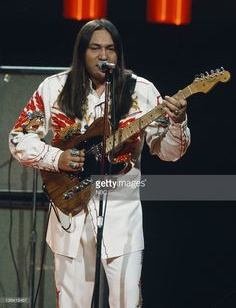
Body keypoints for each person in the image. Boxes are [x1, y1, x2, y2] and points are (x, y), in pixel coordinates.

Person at [9, 19, 190, 308]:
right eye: (95, 48)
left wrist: (178, 123)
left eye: (110, 49)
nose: (103, 56)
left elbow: (170, 152)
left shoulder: (141, 91)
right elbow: (18, 138)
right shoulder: (54, 88)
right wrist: (57, 158)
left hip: (122, 216)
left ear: (118, 54)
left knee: (126, 302)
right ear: (82, 52)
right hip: (70, 216)